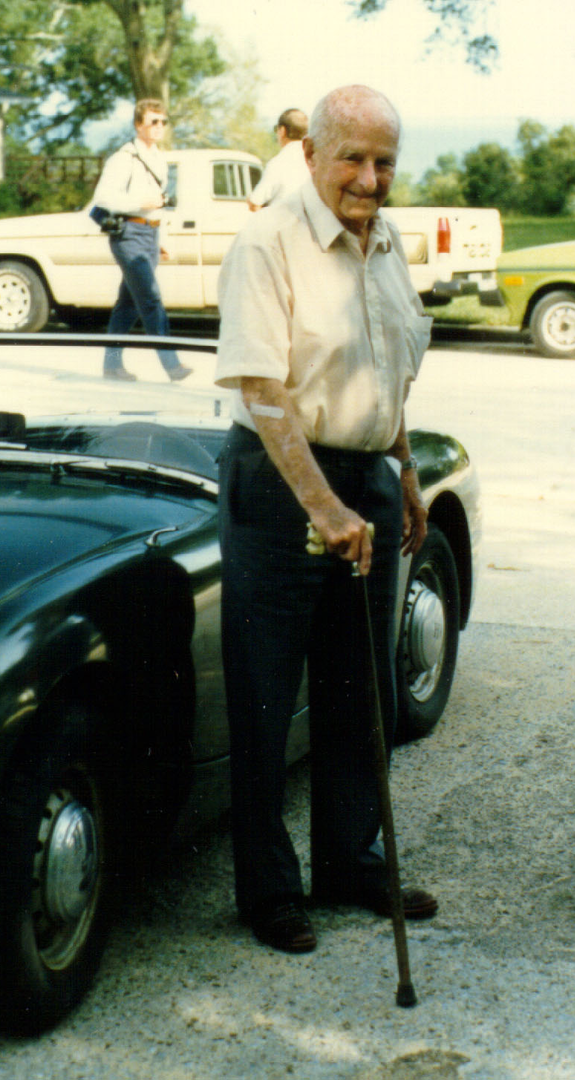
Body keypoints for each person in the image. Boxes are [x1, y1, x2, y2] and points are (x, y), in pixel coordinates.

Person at [213, 85, 441, 955]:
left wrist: (405, 474)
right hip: (282, 487)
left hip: (368, 480)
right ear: (310, 155)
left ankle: (349, 862)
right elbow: (263, 393)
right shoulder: (268, 241)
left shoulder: (386, 245)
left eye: (385, 162)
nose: (371, 177)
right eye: (353, 157)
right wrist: (324, 505)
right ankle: (268, 891)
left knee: (363, 690)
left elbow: (391, 369)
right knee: (268, 697)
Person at [90, 99, 191, 382]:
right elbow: (103, 197)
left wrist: (163, 237)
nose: (159, 127)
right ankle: (172, 365)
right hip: (128, 234)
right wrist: (139, 202)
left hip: (150, 233)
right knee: (150, 297)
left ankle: (111, 366)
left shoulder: (159, 157)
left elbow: (160, 204)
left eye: (163, 122)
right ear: (138, 125)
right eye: (153, 122)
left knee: (128, 304)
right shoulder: (124, 158)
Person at [246, 108, 310, 211]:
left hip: (284, 225)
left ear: (282, 131)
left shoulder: (278, 163)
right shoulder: (316, 161)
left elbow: (255, 203)